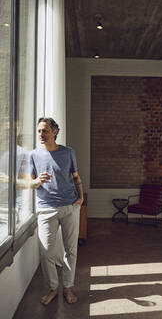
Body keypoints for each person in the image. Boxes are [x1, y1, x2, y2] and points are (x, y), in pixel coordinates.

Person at [30, 117, 83, 305]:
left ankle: (68, 287)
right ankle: (53, 288)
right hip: (46, 209)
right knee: (46, 253)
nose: (41, 135)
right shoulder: (34, 155)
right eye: (38, 131)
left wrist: (81, 196)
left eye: (44, 130)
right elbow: (30, 182)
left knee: (71, 250)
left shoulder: (68, 152)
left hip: (69, 207)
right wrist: (37, 181)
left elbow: (76, 176)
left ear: (54, 132)